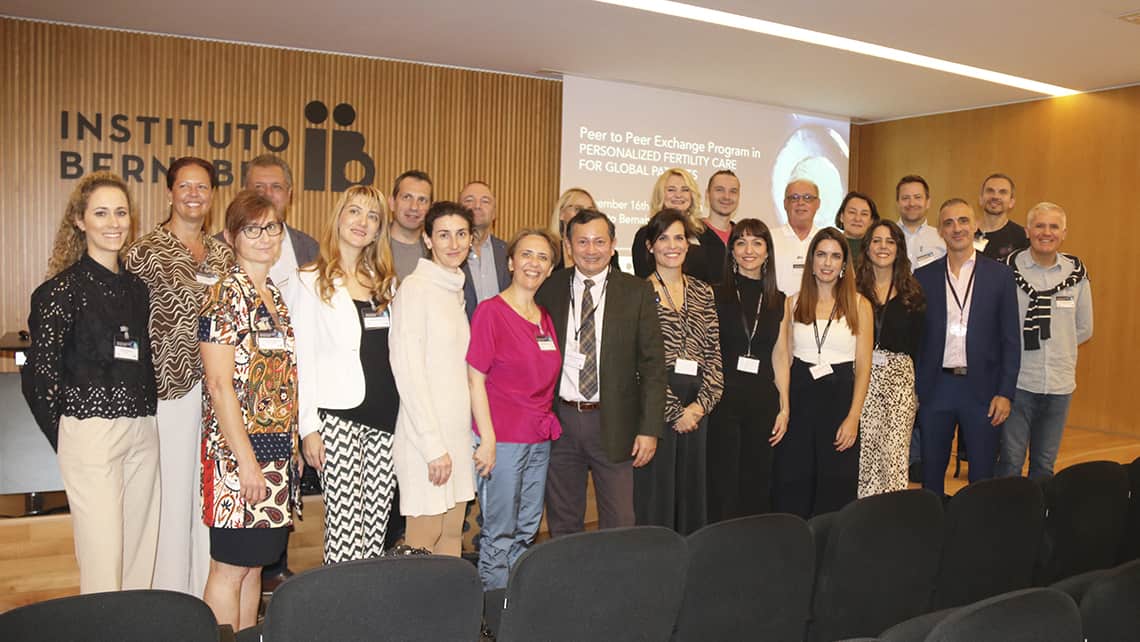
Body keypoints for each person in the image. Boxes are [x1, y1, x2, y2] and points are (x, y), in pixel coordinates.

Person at [22, 172, 159, 594]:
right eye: (101, 212)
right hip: (89, 435)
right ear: (80, 221)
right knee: (103, 565)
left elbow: (140, 361)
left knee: (140, 562)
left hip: (143, 432)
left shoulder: (137, 289)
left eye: (120, 212)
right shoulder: (58, 293)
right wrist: (71, 436)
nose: (113, 222)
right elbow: (39, 380)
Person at [124, 157, 233, 596]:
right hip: (166, 392)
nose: (193, 194)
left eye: (202, 187)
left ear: (212, 195)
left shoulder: (224, 254)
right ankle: (168, 596)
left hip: (218, 393)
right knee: (170, 497)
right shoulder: (144, 252)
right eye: (184, 186)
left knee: (206, 495)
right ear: (169, 192)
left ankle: (203, 594)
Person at [198, 190, 300, 631]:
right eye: (251, 229)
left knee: (256, 567)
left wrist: (291, 446)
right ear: (231, 236)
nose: (263, 237)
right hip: (236, 457)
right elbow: (220, 386)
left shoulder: (274, 295)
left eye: (271, 227)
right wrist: (246, 464)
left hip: (275, 454)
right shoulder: (225, 294)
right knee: (230, 567)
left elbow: (280, 380)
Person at [535, 209, 666, 536]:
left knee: (619, 520)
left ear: (612, 245)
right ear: (568, 245)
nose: (590, 250)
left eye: (599, 241)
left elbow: (653, 366)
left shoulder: (636, 292)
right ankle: (569, 583)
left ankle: (613, 584)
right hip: (560, 421)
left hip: (614, 421)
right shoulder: (549, 289)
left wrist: (649, 429)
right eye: (582, 241)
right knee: (563, 519)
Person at [293, 185, 400, 564]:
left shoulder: (387, 283)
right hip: (337, 417)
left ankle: (366, 615)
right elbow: (301, 358)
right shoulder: (310, 278)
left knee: (375, 530)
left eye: (372, 217)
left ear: (378, 230)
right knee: (343, 530)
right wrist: (308, 428)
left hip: (386, 417)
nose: (362, 222)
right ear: (338, 217)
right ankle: (338, 615)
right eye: (354, 212)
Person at [466, 229, 563, 590]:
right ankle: (494, 611)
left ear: (551, 268)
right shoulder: (491, 312)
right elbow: (475, 380)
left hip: (539, 437)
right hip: (502, 439)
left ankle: (518, 603)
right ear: (510, 262)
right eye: (526, 255)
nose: (533, 263)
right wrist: (486, 439)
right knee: (499, 530)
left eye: (542, 257)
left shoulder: (544, 317)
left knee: (527, 527)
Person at [239, 154, 316, 585]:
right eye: (258, 186)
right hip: (243, 397)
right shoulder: (224, 248)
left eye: (276, 188)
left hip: (293, 383)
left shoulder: (308, 247)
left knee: (285, 475)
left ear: (290, 195)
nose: (267, 195)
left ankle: (276, 565)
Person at [389, 201, 478, 556]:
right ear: (427, 239)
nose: (453, 243)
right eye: (443, 235)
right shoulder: (415, 288)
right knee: (421, 547)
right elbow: (407, 372)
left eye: (461, 234)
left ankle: (451, 614)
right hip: (425, 440)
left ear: (472, 239)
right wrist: (431, 446)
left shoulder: (453, 289)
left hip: (456, 437)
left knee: (452, 536)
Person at [914, 199, 1021, 496]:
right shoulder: (923, 277)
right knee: (931, 472)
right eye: (948, 223)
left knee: (983, 475)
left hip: (983, 390)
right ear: (940, 231)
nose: (956, 228)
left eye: (963, 221)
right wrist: (917, 388)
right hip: (936, 389)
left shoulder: (999, 276)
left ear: (974, 226)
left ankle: (976, 533)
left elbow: (1011, 340)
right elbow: (917, 340)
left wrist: (1005, 392)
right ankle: (933, 530)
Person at [634, 209, 723, 535]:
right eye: (663, 238)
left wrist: (700, 406)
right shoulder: (637, 293)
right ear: (650, 246)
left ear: (688, 244)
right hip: (657, 403)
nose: (672, 245)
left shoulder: (703, 292)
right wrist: (674, 412)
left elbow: (714, 353)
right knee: (656, 495)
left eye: (679, 237)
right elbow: (639, 363)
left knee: (691, 495)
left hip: (698, 405)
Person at [773, 227, 872, 518]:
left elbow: (864, 366)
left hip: (840, 401)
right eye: (821, 255)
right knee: (795, 482)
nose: (827, 263)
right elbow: (783, 357)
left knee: (836, 484)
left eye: (835, 256)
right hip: (801, 399)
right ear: (811, 261)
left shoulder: (859, 304)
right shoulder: (792, 302)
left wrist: (853, 417)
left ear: (844, 264)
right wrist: (784, 409)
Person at [997, 202, 1092, 480]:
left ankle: (1039, 519)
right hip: (1018, 383)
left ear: (1063, 233)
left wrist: (1057, 347)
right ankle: (1010, 520)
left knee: (1044, 464)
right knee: (1011, 462)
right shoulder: (1007, 271)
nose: (1046, 232)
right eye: (1039, 225)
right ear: (1027, 231)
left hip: (1059, 385)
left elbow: (1084, 328)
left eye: (1053, 227)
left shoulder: (1076, 275)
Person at [708, 218, 789, 521]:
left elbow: (781, 356)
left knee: (757, 482)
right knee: (723, 484)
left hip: (763, 403)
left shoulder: (779, 301)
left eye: (757, 242)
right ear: (732, 252)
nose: (748, 250)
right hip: (723, 403)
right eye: (740, 242)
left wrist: (785, 408)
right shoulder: (714, 295)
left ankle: (753, 551)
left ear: (768, 252)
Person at [854, 220, 925, 497]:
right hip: (861, 377)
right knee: (864, 451)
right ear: (867, 247)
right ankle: (861, 515)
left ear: (899, 248)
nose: (883, 247)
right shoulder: (853, 290)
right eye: (876, 240)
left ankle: (891, 516)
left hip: (900, 380)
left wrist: (918, 390)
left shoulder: (913, 293)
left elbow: (920, 345)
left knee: (894, 453)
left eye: (890, 241)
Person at [632, 168, 708, 280]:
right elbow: (643, 281)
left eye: (685, 189)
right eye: (671, 190)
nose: (678, 195)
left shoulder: (703, 232)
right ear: (660, 195)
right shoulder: (646, 234)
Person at [459, 180, 510, 318]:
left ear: (494, 213)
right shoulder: (449, 253)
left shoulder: (508, 252)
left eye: (485, 201)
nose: (477, 206)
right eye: (469, 200)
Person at [549, 187, 620, 272]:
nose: (584, 214)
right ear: (561, 214)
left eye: (590, 210)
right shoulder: (550, 250)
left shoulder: (607, 254)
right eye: (578, 209)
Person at [772, 179, 823, 296]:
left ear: (818, 204)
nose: (801, 202)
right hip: (778, 312)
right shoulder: (769, 238)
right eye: (794, 198)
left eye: (808, 197)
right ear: (785, 203)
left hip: (819, 313)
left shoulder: (826, 241)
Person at [388, 170, 433, 280]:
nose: (414, 207)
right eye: (407, 197)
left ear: (430, 208)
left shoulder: (437, 251)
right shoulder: (369, 246)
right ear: (392, 203)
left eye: (422, 200)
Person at [698, 170, 741, 285]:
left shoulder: (743, 236)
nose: (726, 196)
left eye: (733, 191)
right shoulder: (693, 233)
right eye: (719, 190)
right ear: (707, 194)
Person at [896, 174, 946, 271]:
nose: (912, 203)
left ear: (928, 202)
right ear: (897, 203)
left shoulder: (942, 238)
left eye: (917, 197)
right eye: (905, 198)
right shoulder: (886, 236)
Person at [975, 173, 1028, 261]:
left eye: (1003, 192)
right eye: (990, 191)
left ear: (1011, 202)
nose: (995, 196)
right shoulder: (965, 231)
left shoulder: (1021, 236)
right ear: (980, 199)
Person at [835, 191, 879, 261]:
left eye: (864, 214)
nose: (857, 219)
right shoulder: (831, 246)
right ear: (841, 217)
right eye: (852, 212)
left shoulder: (877, 249)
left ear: (871, 221)